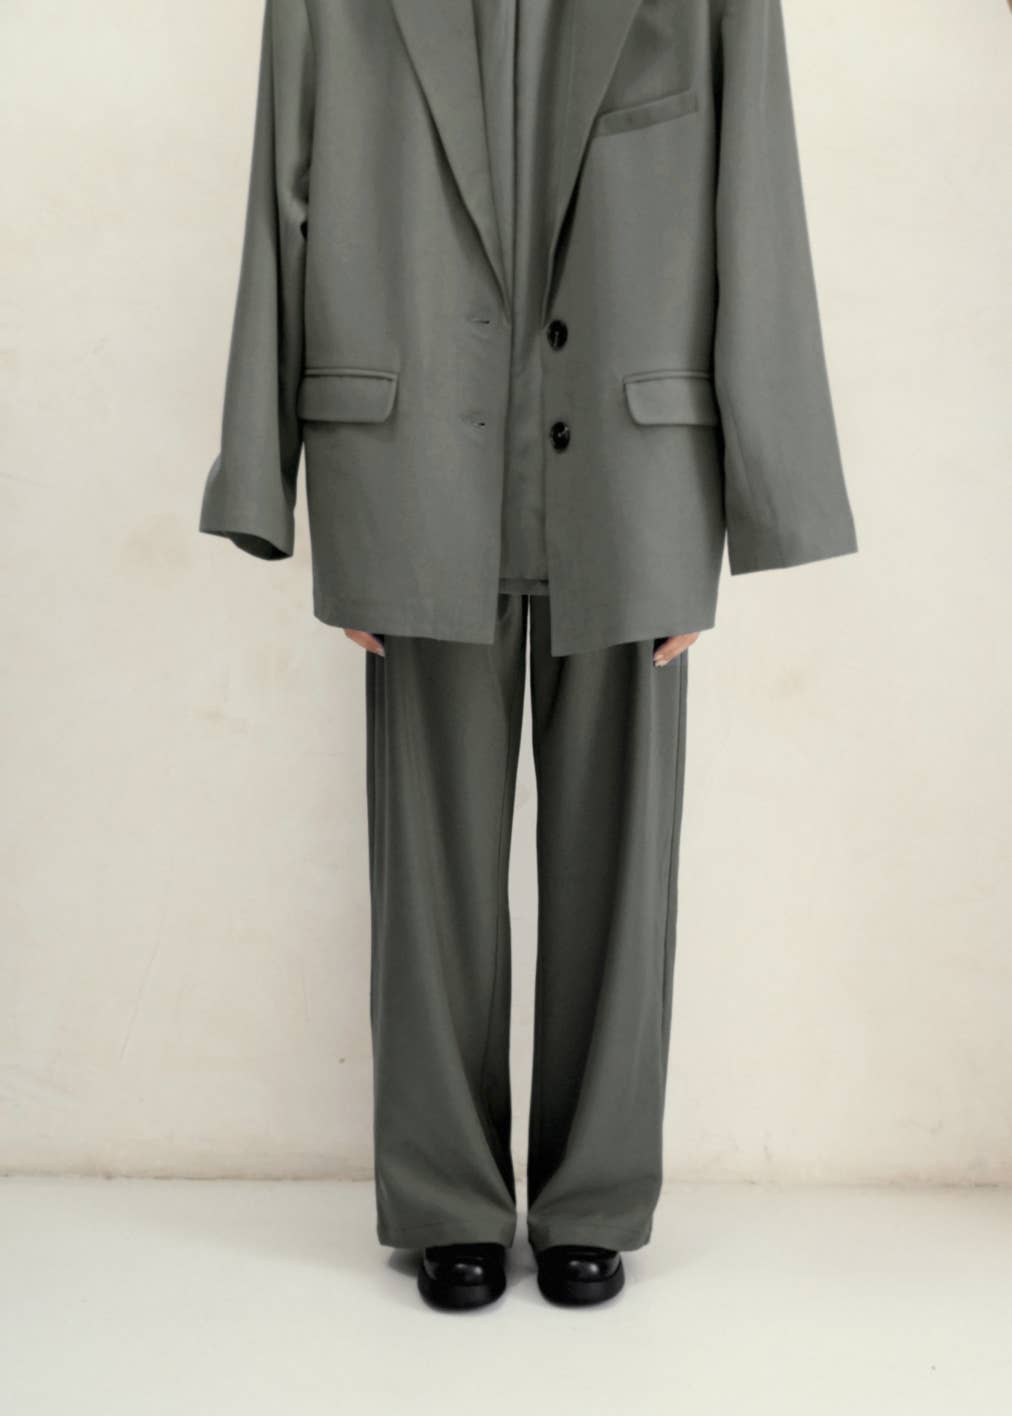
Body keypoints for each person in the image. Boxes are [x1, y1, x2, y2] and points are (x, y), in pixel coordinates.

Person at [199, 0, 858, 1311]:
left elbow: (757, 202)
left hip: (635, 479)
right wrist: (276, 489)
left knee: (622, 871)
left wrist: (756, 505)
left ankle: (591, 1199)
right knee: (428, 881)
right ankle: (445, 1198)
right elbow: (282, 201)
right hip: (412, 477)